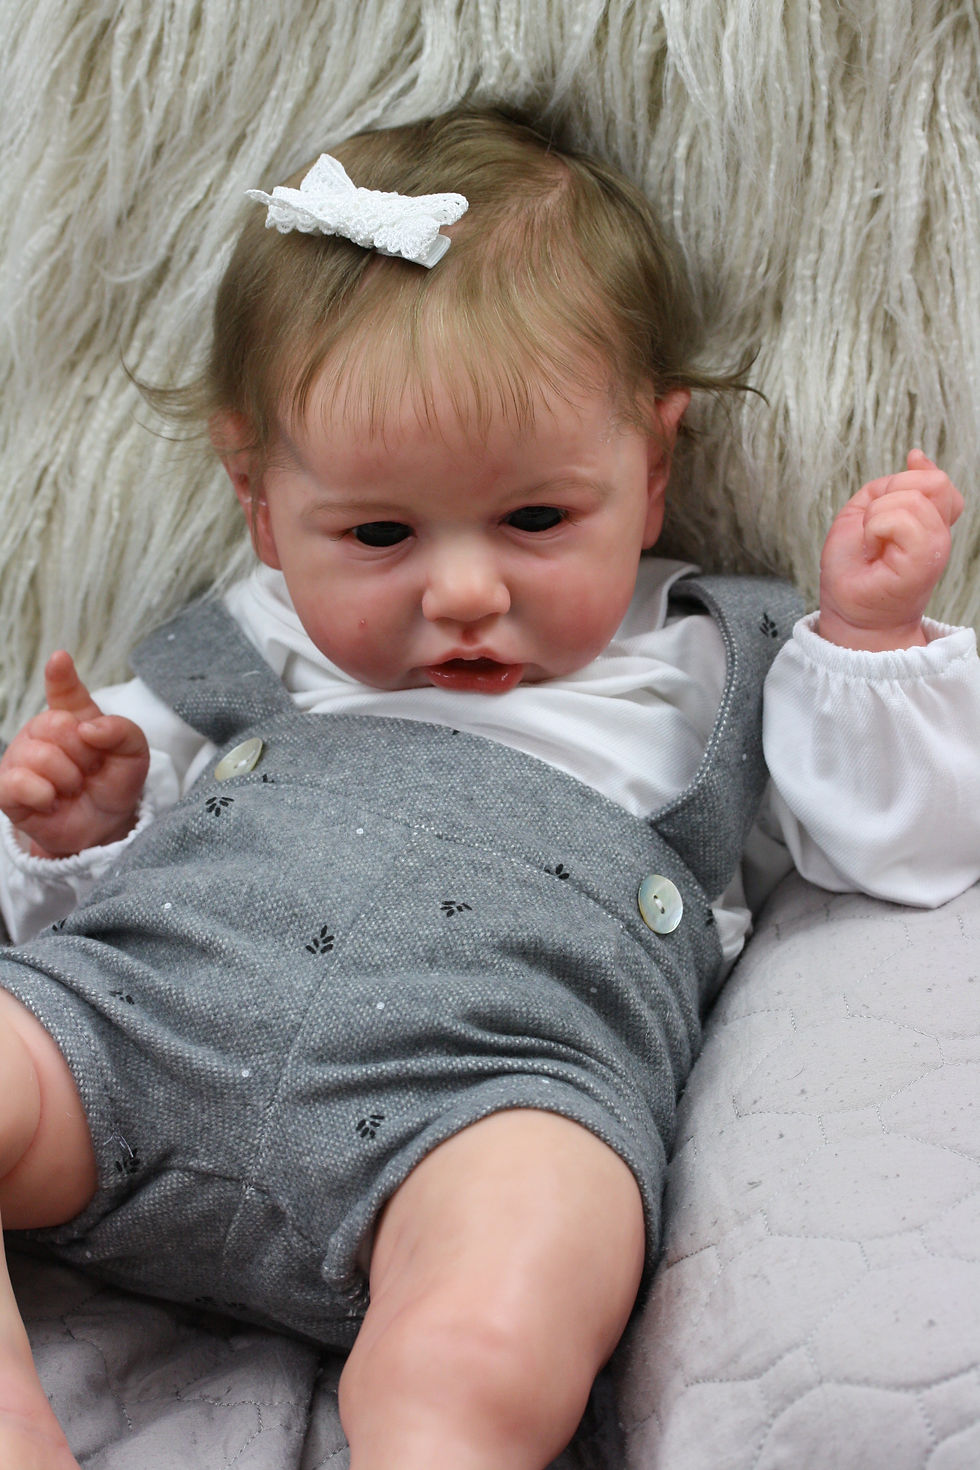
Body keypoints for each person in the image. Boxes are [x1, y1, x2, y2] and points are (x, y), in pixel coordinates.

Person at [0, 106, 977, 1470]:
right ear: (261, 502)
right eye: (379, 532)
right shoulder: (247, 645)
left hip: (479, 1105)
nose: (464, 590)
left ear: (652, 467)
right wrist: (77, 832)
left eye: (535, 519)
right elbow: (53, 930)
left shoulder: (716, 658)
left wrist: (871, 640)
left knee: (495, 1329)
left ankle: (441, 1427)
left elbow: (905, 853)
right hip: (141, 1031)